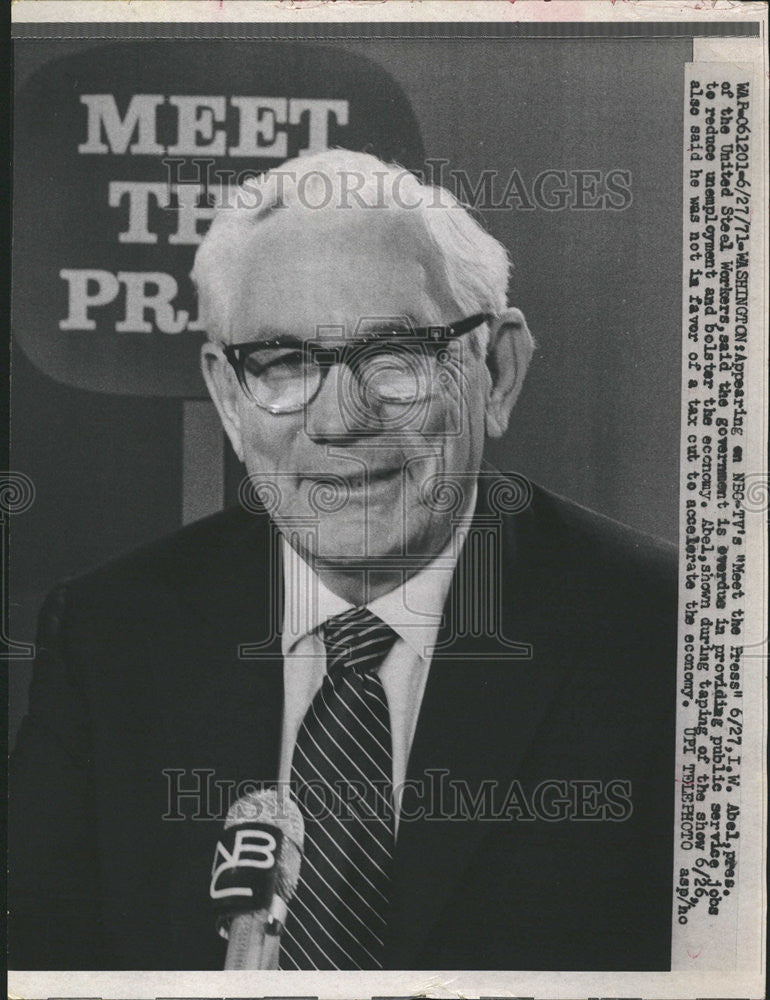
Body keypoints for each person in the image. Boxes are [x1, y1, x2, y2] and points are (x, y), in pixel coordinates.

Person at [9, 150, 677, 971]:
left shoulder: (668, 641)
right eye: (283, 362)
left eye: (396, 354)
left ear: (496, 371)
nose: (339, 421)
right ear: (227, 395)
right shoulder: (110, 638)